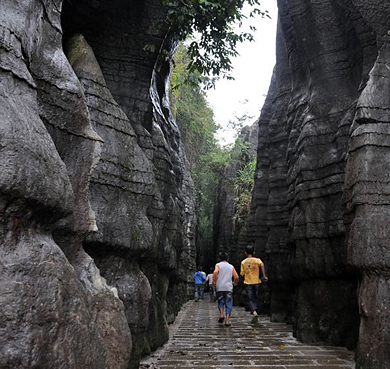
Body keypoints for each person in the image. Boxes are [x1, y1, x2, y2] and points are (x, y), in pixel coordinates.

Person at [240, 245, 268, 324]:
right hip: (257, 281)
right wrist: (264, 275)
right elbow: (262, 265)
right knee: (256, 297)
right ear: (254, 252)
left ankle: (254, 312)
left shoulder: (243, 262)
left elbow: (242, 274)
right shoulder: (257, 260)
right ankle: (256, 310)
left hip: (248, 282)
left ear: (245, 253)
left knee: (250, 298)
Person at [212, 252, 239, 327]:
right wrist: (235, 283)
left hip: (220, 287)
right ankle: (227, 321)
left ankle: (221, 315)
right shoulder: (231, 266)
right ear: (228, 258)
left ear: (219, 259)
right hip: (228, 287)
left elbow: (215, 272)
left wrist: (214, 282)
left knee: (220, 301)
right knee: (229, 303)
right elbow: (236, 277)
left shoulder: (218, 265)